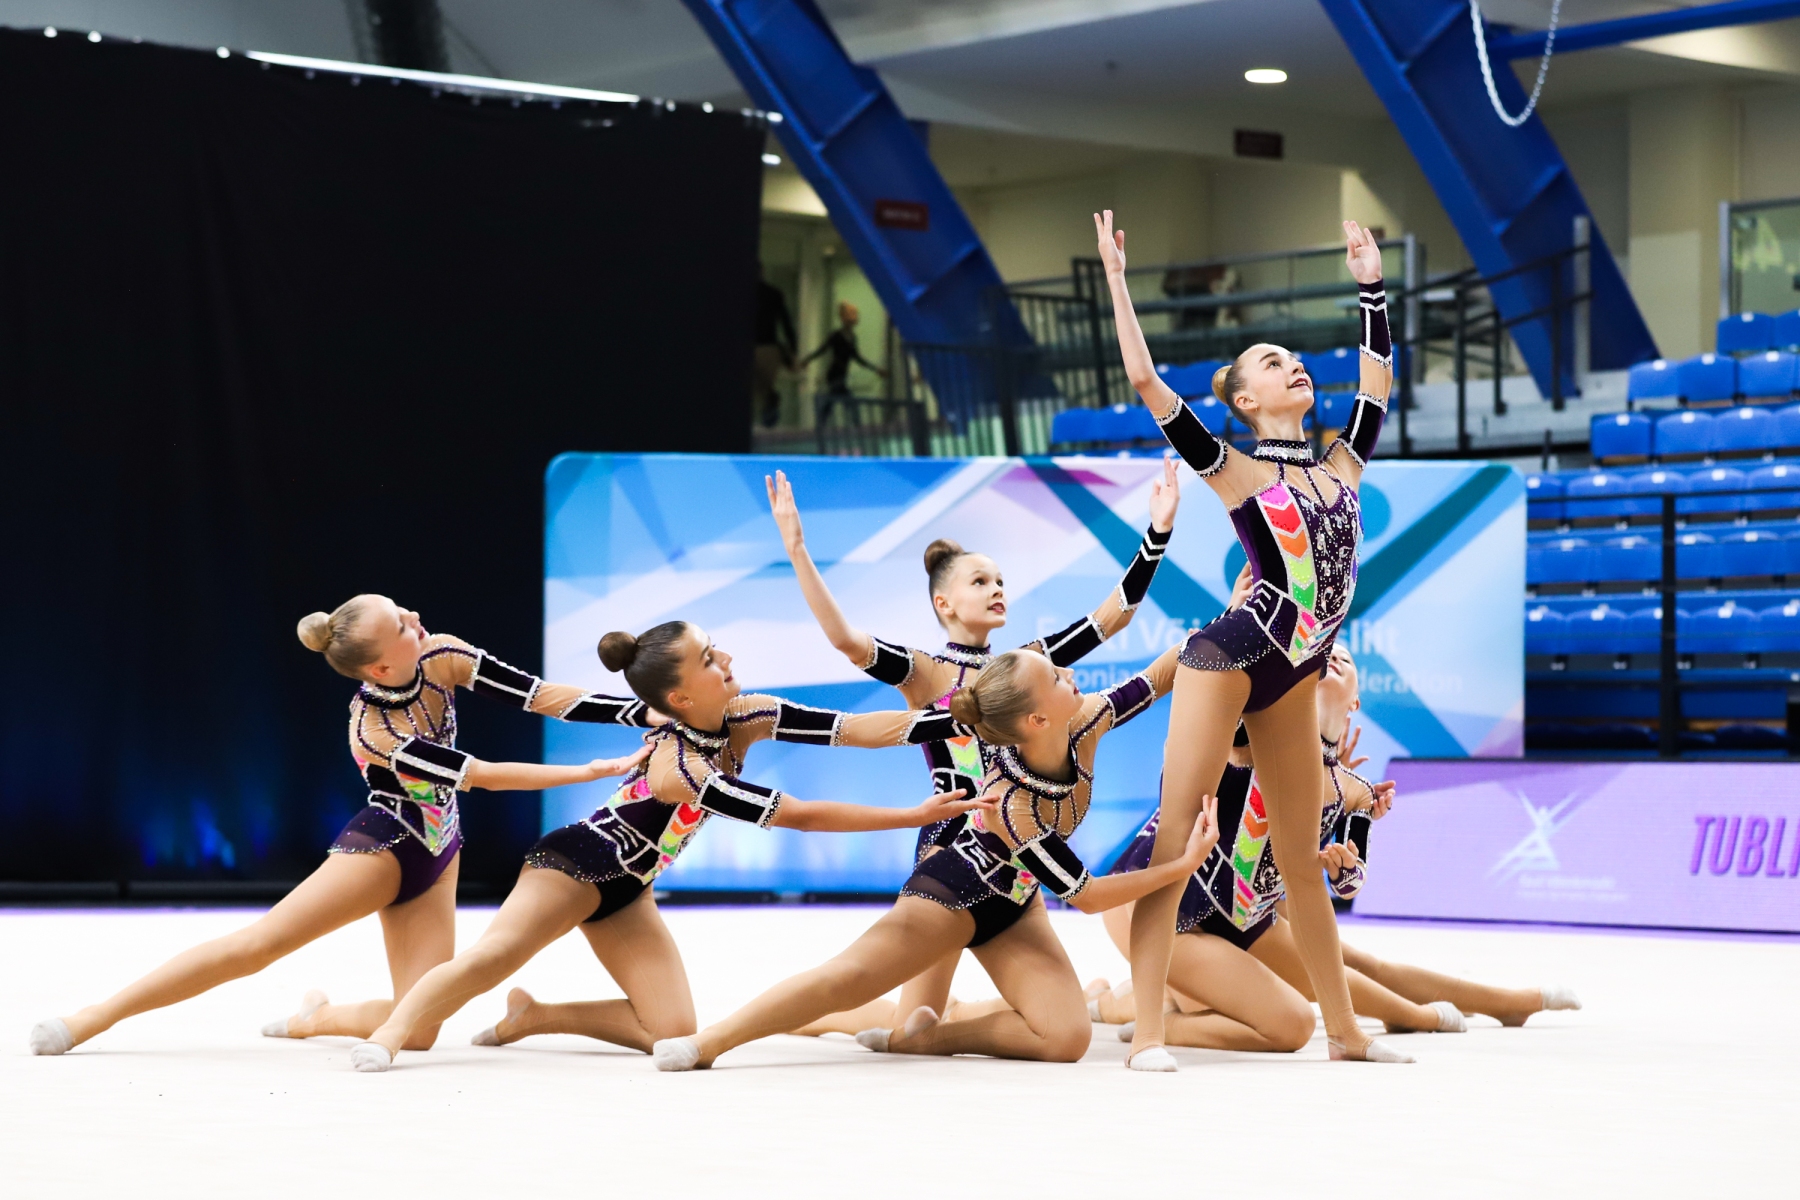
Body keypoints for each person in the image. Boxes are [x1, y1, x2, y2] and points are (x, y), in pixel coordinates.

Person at [342, 620, 982, 1071]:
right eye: (708, 657)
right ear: (680, 697)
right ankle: (391, 1034)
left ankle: (536, 1016)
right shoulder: (679, 765)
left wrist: (948, 716)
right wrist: (910, 815)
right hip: (575, 864)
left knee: (671, 1030)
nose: (724, 657)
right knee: (494, 956)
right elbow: (799, 816)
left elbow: (854, 728)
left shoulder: (748, 713)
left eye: (714, 647)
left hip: (629, 888)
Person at [27, 595, 651, 1056]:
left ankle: (315, 1019)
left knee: (421, 1029)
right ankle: (95, 1016)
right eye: (401, 624)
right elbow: (479, 774)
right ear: (377, 668)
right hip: (386, 847)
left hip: (441, 852)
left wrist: (636, 713)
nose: (415, 618)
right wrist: (591, 770)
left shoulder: (442, 654)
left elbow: (538, 695)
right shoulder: (373, 729)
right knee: (260, 945)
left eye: (402, 610)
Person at [1097, 210, 1400, 1067]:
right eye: (1271, 362)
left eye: (1294, 358)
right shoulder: (1237, 468)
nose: (1292, 364)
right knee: (1174, 840)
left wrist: (1371, 287)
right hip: (1229, 654)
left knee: (1300, 860)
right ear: (1244, 402)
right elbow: (1146, 381)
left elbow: (1377, 385)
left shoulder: (1342, 463)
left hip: (1297, 669)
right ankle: (1148, 1032)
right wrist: (1117, 279)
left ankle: (1345, 1035)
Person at [651, 643, 1219, 1071]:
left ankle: (927, 1038)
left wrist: (1223, 625)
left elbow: (1158, 677)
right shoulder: (1012, 804)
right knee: (849, 978)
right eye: (1054, 676)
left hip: (1015, 906)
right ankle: (710, 1043)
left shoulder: (1086, 718)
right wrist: (1181, 865)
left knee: (1065, 1038)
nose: (1069, 674)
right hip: (953, 892)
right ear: (1036, 720)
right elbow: (1088, 897)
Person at [763, 461, 1178, 1036]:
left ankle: (1066, 1004)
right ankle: (801, 1015)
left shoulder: (1027, 667)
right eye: (980, 582)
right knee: (911, 1023)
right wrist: (797, 551)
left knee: (962, 1022)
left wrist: (1158, 531)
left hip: (1019, 845)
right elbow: (845, 639)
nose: (997, 588)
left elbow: (1114, 616)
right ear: (945, 604)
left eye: (1000, 580)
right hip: (949, 849)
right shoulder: (927, 673)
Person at [1089, 646, 1581, 1047]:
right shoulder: (1254, 730)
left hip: (1244, 917)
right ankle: (1412, 1015)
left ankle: (1503, 1003)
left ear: (1356, 703)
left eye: (1346, 657)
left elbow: (1352, 881)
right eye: (1325, 654)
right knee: (1307, 997)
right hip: (1160, 903)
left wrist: (1341, 870)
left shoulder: (1353, 788)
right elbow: (1220, 676)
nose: (1335, 657)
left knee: (1351, 960)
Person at [802, 301, 885, 417]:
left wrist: (875, 369)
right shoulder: (836, 335)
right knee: (844, 401)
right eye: (851, 313)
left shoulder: (852, 337)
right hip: (834, 374)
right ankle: (835, 422)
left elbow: (857, 358)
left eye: (855, 313)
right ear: (843, 317)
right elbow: (822, 349)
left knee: (834, 401)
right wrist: (807, 360)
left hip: (842, 374)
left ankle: (823, 421)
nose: (854, 316)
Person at [753, 264, 797, 428]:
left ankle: (763, 416)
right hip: (769, 348)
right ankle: (768, 413)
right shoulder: (774, 294)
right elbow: (786, 323)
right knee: (765, 387)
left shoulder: (739, 294)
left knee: (756, 389)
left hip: (750, 347)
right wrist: (793, 350)